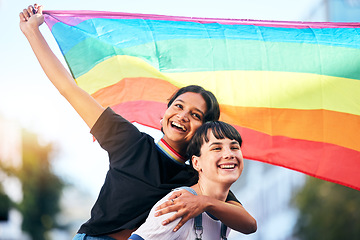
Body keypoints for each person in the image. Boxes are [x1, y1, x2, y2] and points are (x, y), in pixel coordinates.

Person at [19, 4, 257, 240]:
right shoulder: (129, 141)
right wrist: (32, 32)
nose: (183, 116)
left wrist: (205, 203)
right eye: (178, 106)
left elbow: (249, 223)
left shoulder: (197, 176)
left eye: (196, 115)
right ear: (162, 117)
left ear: (205, 130)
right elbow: (68, 88)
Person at [129, 121, 249, 239]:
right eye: (217, 148)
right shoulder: (179, 204)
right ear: (196, 163)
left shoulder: (225, 212)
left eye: (234, 147)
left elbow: (250, 226)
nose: (229, 154)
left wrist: (206, 203)